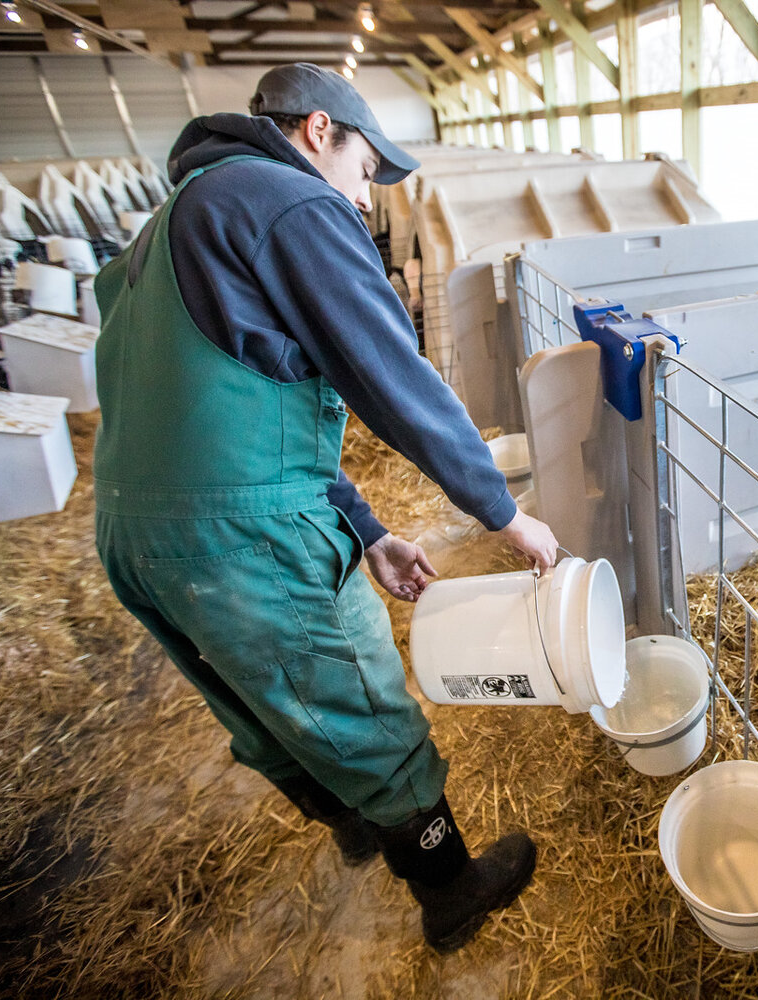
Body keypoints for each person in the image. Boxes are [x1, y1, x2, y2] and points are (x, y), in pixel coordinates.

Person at [92, 62, 558, 954]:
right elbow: (392, 375)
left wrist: (370, 531)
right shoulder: (291, 202)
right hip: (237, 538)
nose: (363, 197)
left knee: (261, 700)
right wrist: (505, 513)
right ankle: (450, 887)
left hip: (134, 532)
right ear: (317, 133)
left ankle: (354, 818)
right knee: (353, 690)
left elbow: (238, 425)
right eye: (363, 170)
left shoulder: (172, 222)